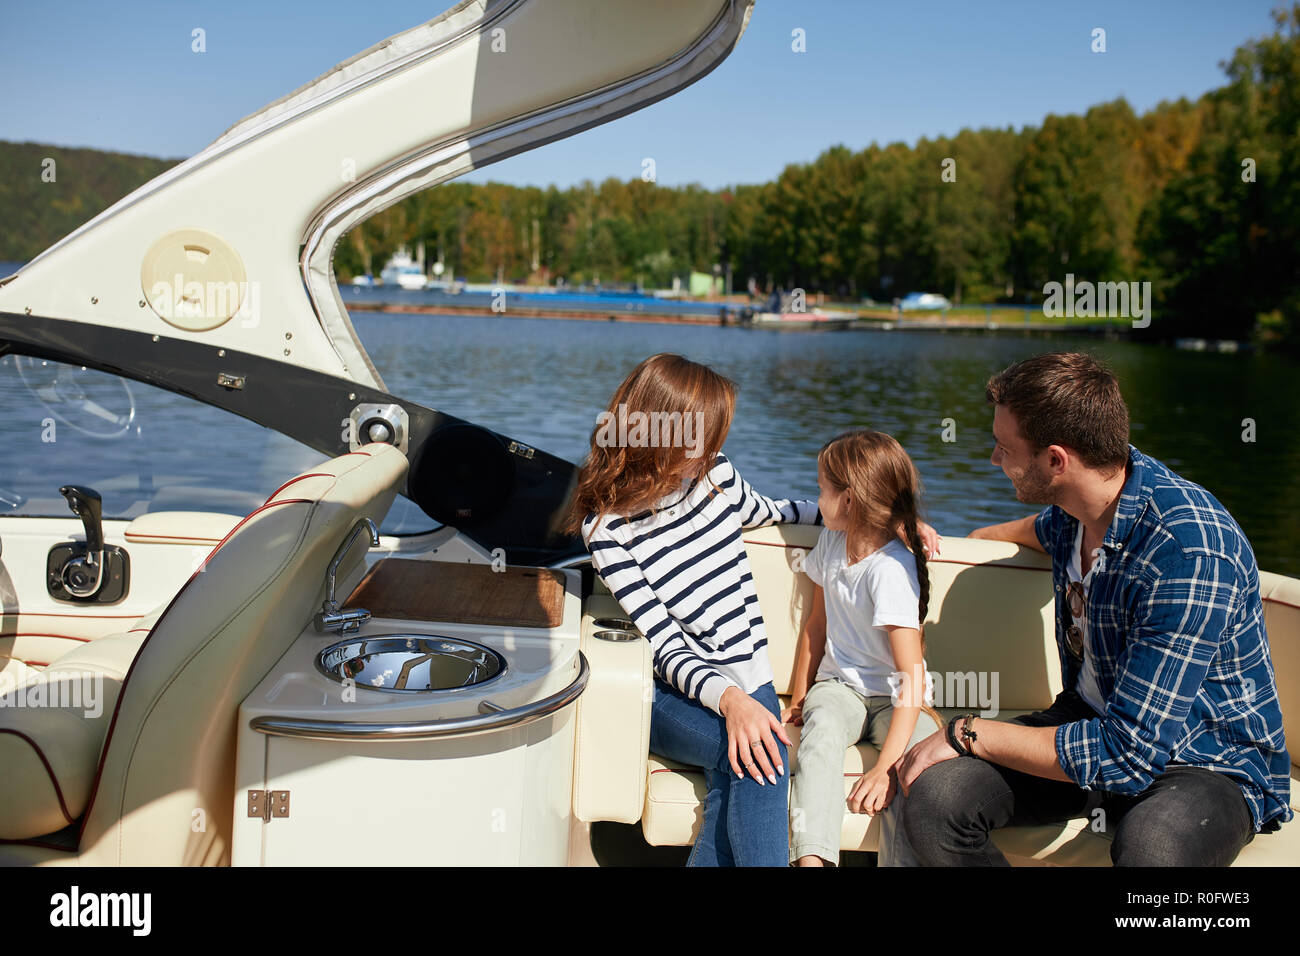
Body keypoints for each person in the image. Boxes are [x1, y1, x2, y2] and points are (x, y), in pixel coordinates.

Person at [884, 351, 1291, 866]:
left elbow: (1129, 755)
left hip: (1203, 760)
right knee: (935, 797)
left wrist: (967, 731)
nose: (993, 460)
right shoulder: (1079, 509)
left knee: (1153, 849)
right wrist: (963, 542)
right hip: (1091, 725)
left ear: (1056, 460)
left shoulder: (1187, 551)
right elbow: (1034, 531)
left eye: (1004, 448)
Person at [564, 354, 938, 866]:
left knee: (744, 765)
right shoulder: (607, 530)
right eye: (708, 435)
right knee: (762, 758)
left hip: (752, 682)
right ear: (664, 435)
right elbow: (665, 646)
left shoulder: (715, 477)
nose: (717, 447)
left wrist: (886, 522)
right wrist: (732, 702)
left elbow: (783, 511)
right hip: (676, 694)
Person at [782, 430, 944, 867]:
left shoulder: (891, 571)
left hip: (900, 700)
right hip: (840, 687)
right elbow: (815, 627)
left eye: (822, 489)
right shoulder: (832, 541)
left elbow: (910, 680)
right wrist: (799, 699)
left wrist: (885, 766)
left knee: (920, 768)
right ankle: (812, 859)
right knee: (819, 741)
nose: (817, 499)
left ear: (850, 500)